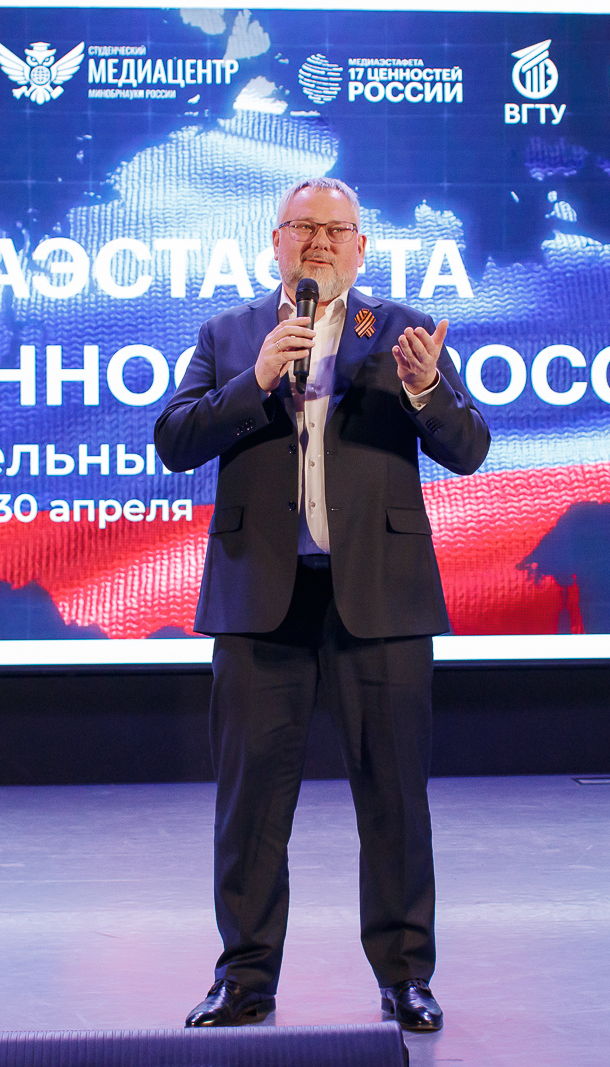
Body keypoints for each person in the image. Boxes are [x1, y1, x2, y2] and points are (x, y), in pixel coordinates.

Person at [153, 177, 490, 1033]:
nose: (318, 243)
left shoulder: (404, 333)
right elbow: (174, 440)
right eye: (302, 227)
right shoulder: (230, 335)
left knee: (395, 801)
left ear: (361, 248)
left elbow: (470, 448)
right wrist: (257, 378)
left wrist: (426, 391)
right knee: (251, 807)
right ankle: (245, 977)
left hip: (379, 600)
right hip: (261, 600)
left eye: (335, 230)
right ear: (275, 242)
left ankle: (406, 976)